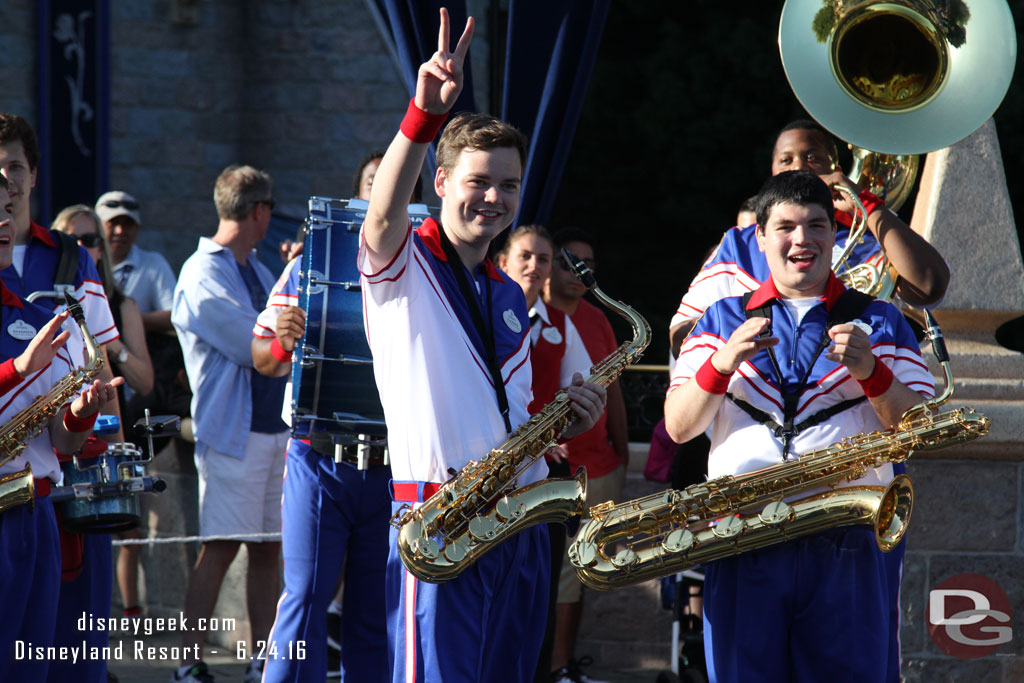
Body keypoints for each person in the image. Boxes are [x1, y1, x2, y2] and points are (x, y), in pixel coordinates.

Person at [359, 10, 606, 682]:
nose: (494, 197)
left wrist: (567, 416)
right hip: (441, 522)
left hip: (516, 527)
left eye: (508, 184)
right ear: (439, 184)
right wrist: (422, 114)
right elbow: (381, 213)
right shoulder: (403, 264)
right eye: (477, 181)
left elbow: (514, 408)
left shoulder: (505, 289)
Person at [665, 171, 935, 682]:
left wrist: (872, 372)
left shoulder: (880, 319)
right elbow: (679, 427)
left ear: (834, 235)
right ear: (759, 237)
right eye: (785, 226)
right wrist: (719, 365)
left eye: (816, 224)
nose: (802, 239)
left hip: (846, 540)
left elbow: (918, 431)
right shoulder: (720, 317)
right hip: (743, 536)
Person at [668, 119, 950, 359]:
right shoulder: (739, 244)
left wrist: (869, 207)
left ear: (836, 168)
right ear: (774, 172)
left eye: (813, 158)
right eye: (786, 159)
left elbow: (930, 286)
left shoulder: (871, 235)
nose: (800, 167)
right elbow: (680, 339)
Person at [0, 175, 123, 681]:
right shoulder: (33, 343)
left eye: (7, 210)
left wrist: (85, 408)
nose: (5, 221)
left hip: (36, 510)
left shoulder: (37, 318)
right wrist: (20, 369)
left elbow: (65, 441)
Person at [171, 165, 289, 683]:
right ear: (259, 211)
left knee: (268, 549)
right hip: (231, 435)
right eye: (270, 209)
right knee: (219, 546)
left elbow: (279, 334)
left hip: (274, 431)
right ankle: (187, 662)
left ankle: (263, 660)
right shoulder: (200, 272)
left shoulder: (258, 269)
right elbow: (256, 344)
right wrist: (289, 321)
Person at [252, 255, 392, 681]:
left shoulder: (425, 263)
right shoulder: (315, 257)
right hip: (320, 456)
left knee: (375, 608)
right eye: (373, 182)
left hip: (393, 465)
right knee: (305, 595)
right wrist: (282, 341)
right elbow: (263, 357)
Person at [495, 224, 594, 683]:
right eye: (525, 257)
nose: (535, 267)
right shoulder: (484, 312)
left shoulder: (561, 324)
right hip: (492, 472)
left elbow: (583, 387)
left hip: (543, 476)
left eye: (544, 259)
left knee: (539, 587)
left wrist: (567, 422)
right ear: (503, 263)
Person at [52, 204, 155, 636]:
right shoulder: (45, 296)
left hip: (99, 443)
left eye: (92, 241)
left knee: (95, 569)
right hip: (49, 449)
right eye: (74, 241)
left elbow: (143, 381)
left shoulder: (118, 302)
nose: (85, 248)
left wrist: (109, 347)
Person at [543, 226, 631, 683]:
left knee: (583, 573)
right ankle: (553, 668)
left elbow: (612, 390)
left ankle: (565, 665)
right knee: (558, 577)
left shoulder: (598, 319)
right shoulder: (529, 312)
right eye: (568, 261)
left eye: (587, 265)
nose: (579, 272)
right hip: (551, 475)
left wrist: (622, 447)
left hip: (599, 466)